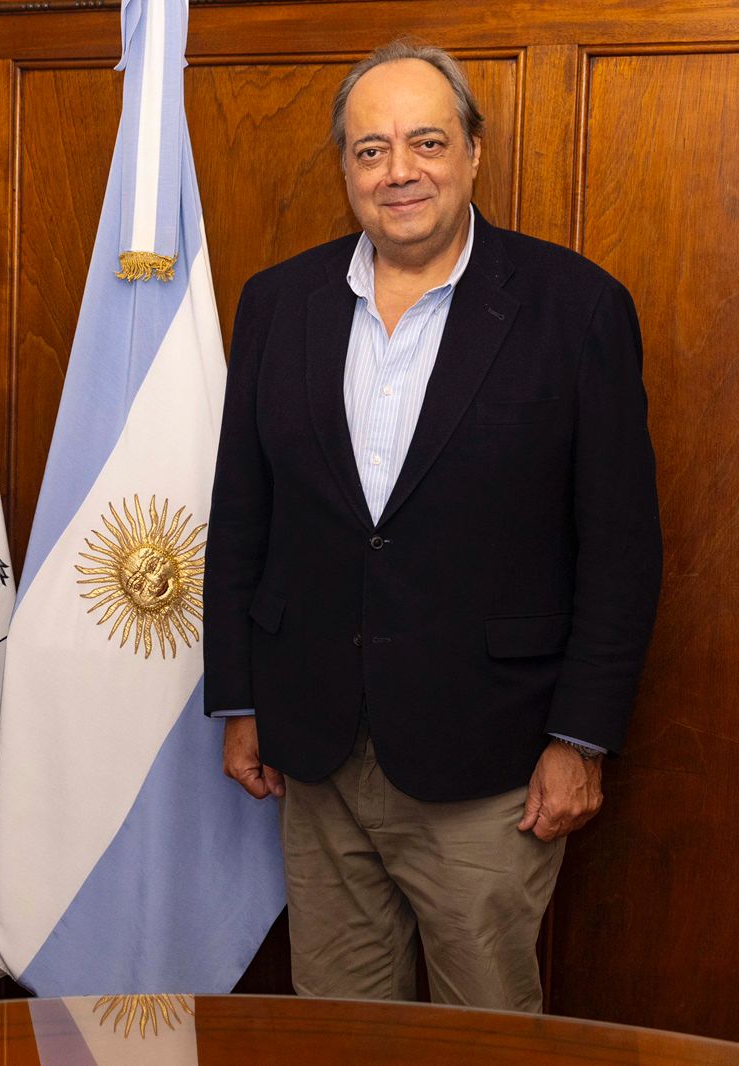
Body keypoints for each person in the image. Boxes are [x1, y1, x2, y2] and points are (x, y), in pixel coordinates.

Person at [202, 40, 661, 1011]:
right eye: (369, 150)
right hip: (315, 751)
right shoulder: (278, 304)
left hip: (493, 764)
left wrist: (580, 738)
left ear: (473, 153)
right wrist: (239, 700)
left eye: (424, 142)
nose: (398, 171)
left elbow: (620, 548)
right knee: (339, 1027)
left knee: (484, 1033)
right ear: (344, 167)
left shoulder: (575, 308)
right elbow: (244, 513)